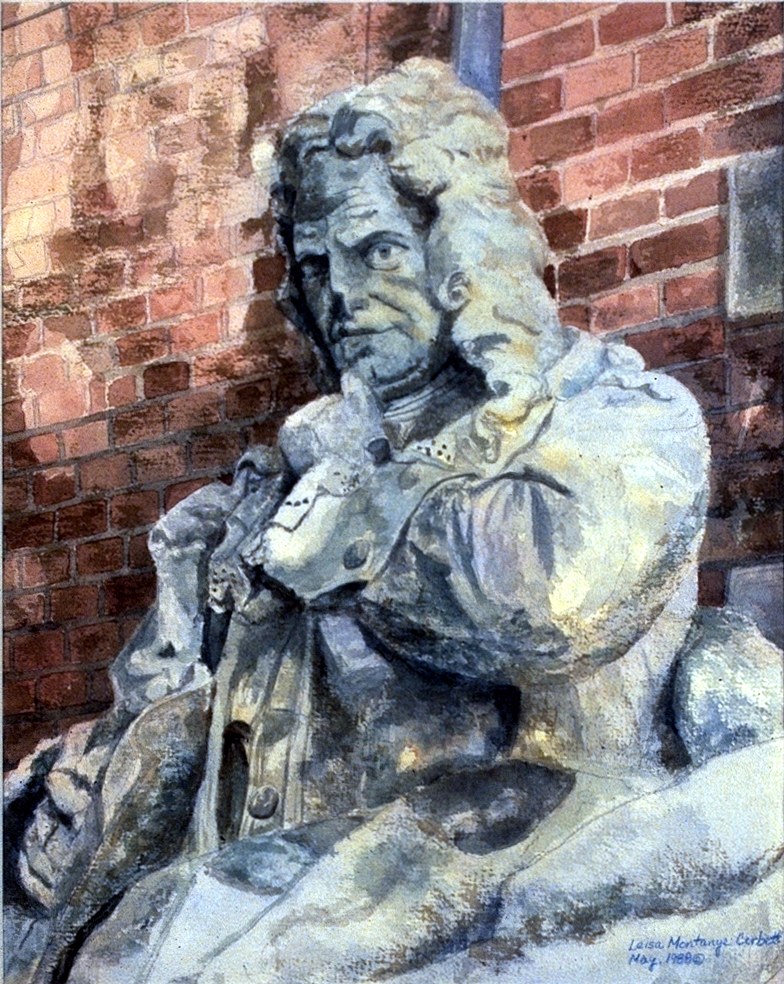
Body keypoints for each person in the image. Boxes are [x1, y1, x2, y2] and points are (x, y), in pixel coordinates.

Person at [4, 58, 782, 984]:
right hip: (229, 910)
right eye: (316, 265)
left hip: (485, 902)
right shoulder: (282, 474)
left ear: (461, 245)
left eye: (375, 250)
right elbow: (179, 707)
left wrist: (347, 504)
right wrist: (71, 794)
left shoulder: (605, 414)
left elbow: (555, 599)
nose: (341, 293)